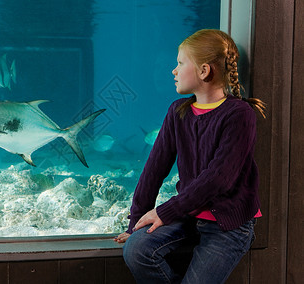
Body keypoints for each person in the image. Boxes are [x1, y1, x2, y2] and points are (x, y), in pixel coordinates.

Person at [114, 29, 266, 283]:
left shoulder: (239, 115)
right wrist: (135, 224)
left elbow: (218, 179)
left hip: (228, 224)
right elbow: (153, 170)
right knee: (136, 250)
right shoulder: (178, 112)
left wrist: (165, 211)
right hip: (188, 215)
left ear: (204, 71)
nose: (173, 70)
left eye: (180, 63)